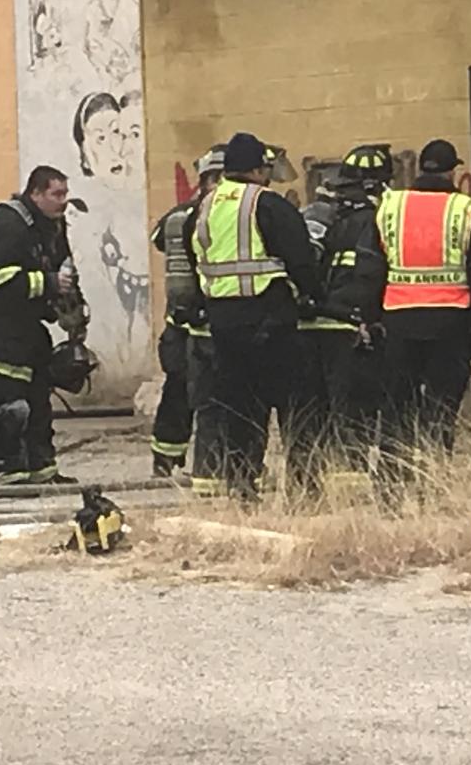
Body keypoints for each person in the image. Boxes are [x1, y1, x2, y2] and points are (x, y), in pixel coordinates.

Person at [356, 139, 471, 504]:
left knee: (395, 408)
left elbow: (369, 267)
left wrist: (370, 318)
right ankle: (435, 488)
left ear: (421, 168)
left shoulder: (391, 207)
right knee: (440, 409)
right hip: (449, 324)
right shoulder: (465, 209)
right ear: (453, 170)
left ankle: (390, 488)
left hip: (398, 323)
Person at [185, 132, 321, 500]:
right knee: (295, 407)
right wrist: (313, 297)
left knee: (240, 409)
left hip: (224, 328)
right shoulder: (268, 205)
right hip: (271, 323)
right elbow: (301, 259)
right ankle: (303, 485)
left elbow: (196, 261)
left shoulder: (202, 208)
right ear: (260, 169)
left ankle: (242, 484)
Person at [0, 166, 79, 485]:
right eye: (56, 194)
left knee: (38, 399)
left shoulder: (50, 226)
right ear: (35, 193)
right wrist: (48, 282)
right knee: (8, 407)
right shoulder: (9, 225)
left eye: (65, 194)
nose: (63, 201)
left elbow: (60, 268)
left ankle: (42, 469)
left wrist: (71, 312)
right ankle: (9, 476)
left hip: (20, 332)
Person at [289, 144, 394, 490]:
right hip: (349, 328)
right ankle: (348, 491)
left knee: (306, 414)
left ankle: (303, 489)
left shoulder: (317, 216)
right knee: (353, 413)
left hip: (306, 326)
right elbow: (373, 276)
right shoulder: (377, 221)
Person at [148, 145, 223, 484]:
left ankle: (165, 458)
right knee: (205, 394)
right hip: (203, 322)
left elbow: (157, 238)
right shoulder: (211, 217)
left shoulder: (176, 216)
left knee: (177, 392)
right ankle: (207, 463)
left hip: (176, 323)